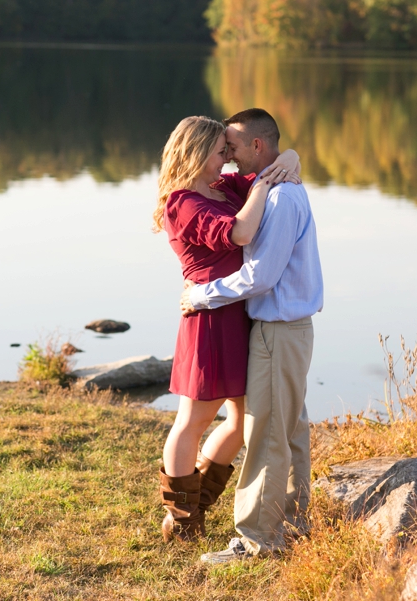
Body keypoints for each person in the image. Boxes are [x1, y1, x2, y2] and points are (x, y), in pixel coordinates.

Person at [179, 109, 323, 563]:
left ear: (257, 147)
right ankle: (294, 524)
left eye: (233, 147)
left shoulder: (279, 199)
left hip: (278, 330)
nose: (229, 158)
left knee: (266, 435)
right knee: (290, 430)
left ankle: (258, 540)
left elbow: (260, 277)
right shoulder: (279, 188)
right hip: (289, 330)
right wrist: (293, 158)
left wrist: (203, 295)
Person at [153, 115, 301, 542]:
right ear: (198, 153)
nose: (228, 160)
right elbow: (239, 232)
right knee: (195, 419)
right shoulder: (181, 203)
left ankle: (192, 506)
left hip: (239, 314)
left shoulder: (224, 188)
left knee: (240, 422)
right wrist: (260, 187)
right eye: (222, 152)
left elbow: (274, 163)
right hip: (209, 320)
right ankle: (183, 520)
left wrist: (288, 156)